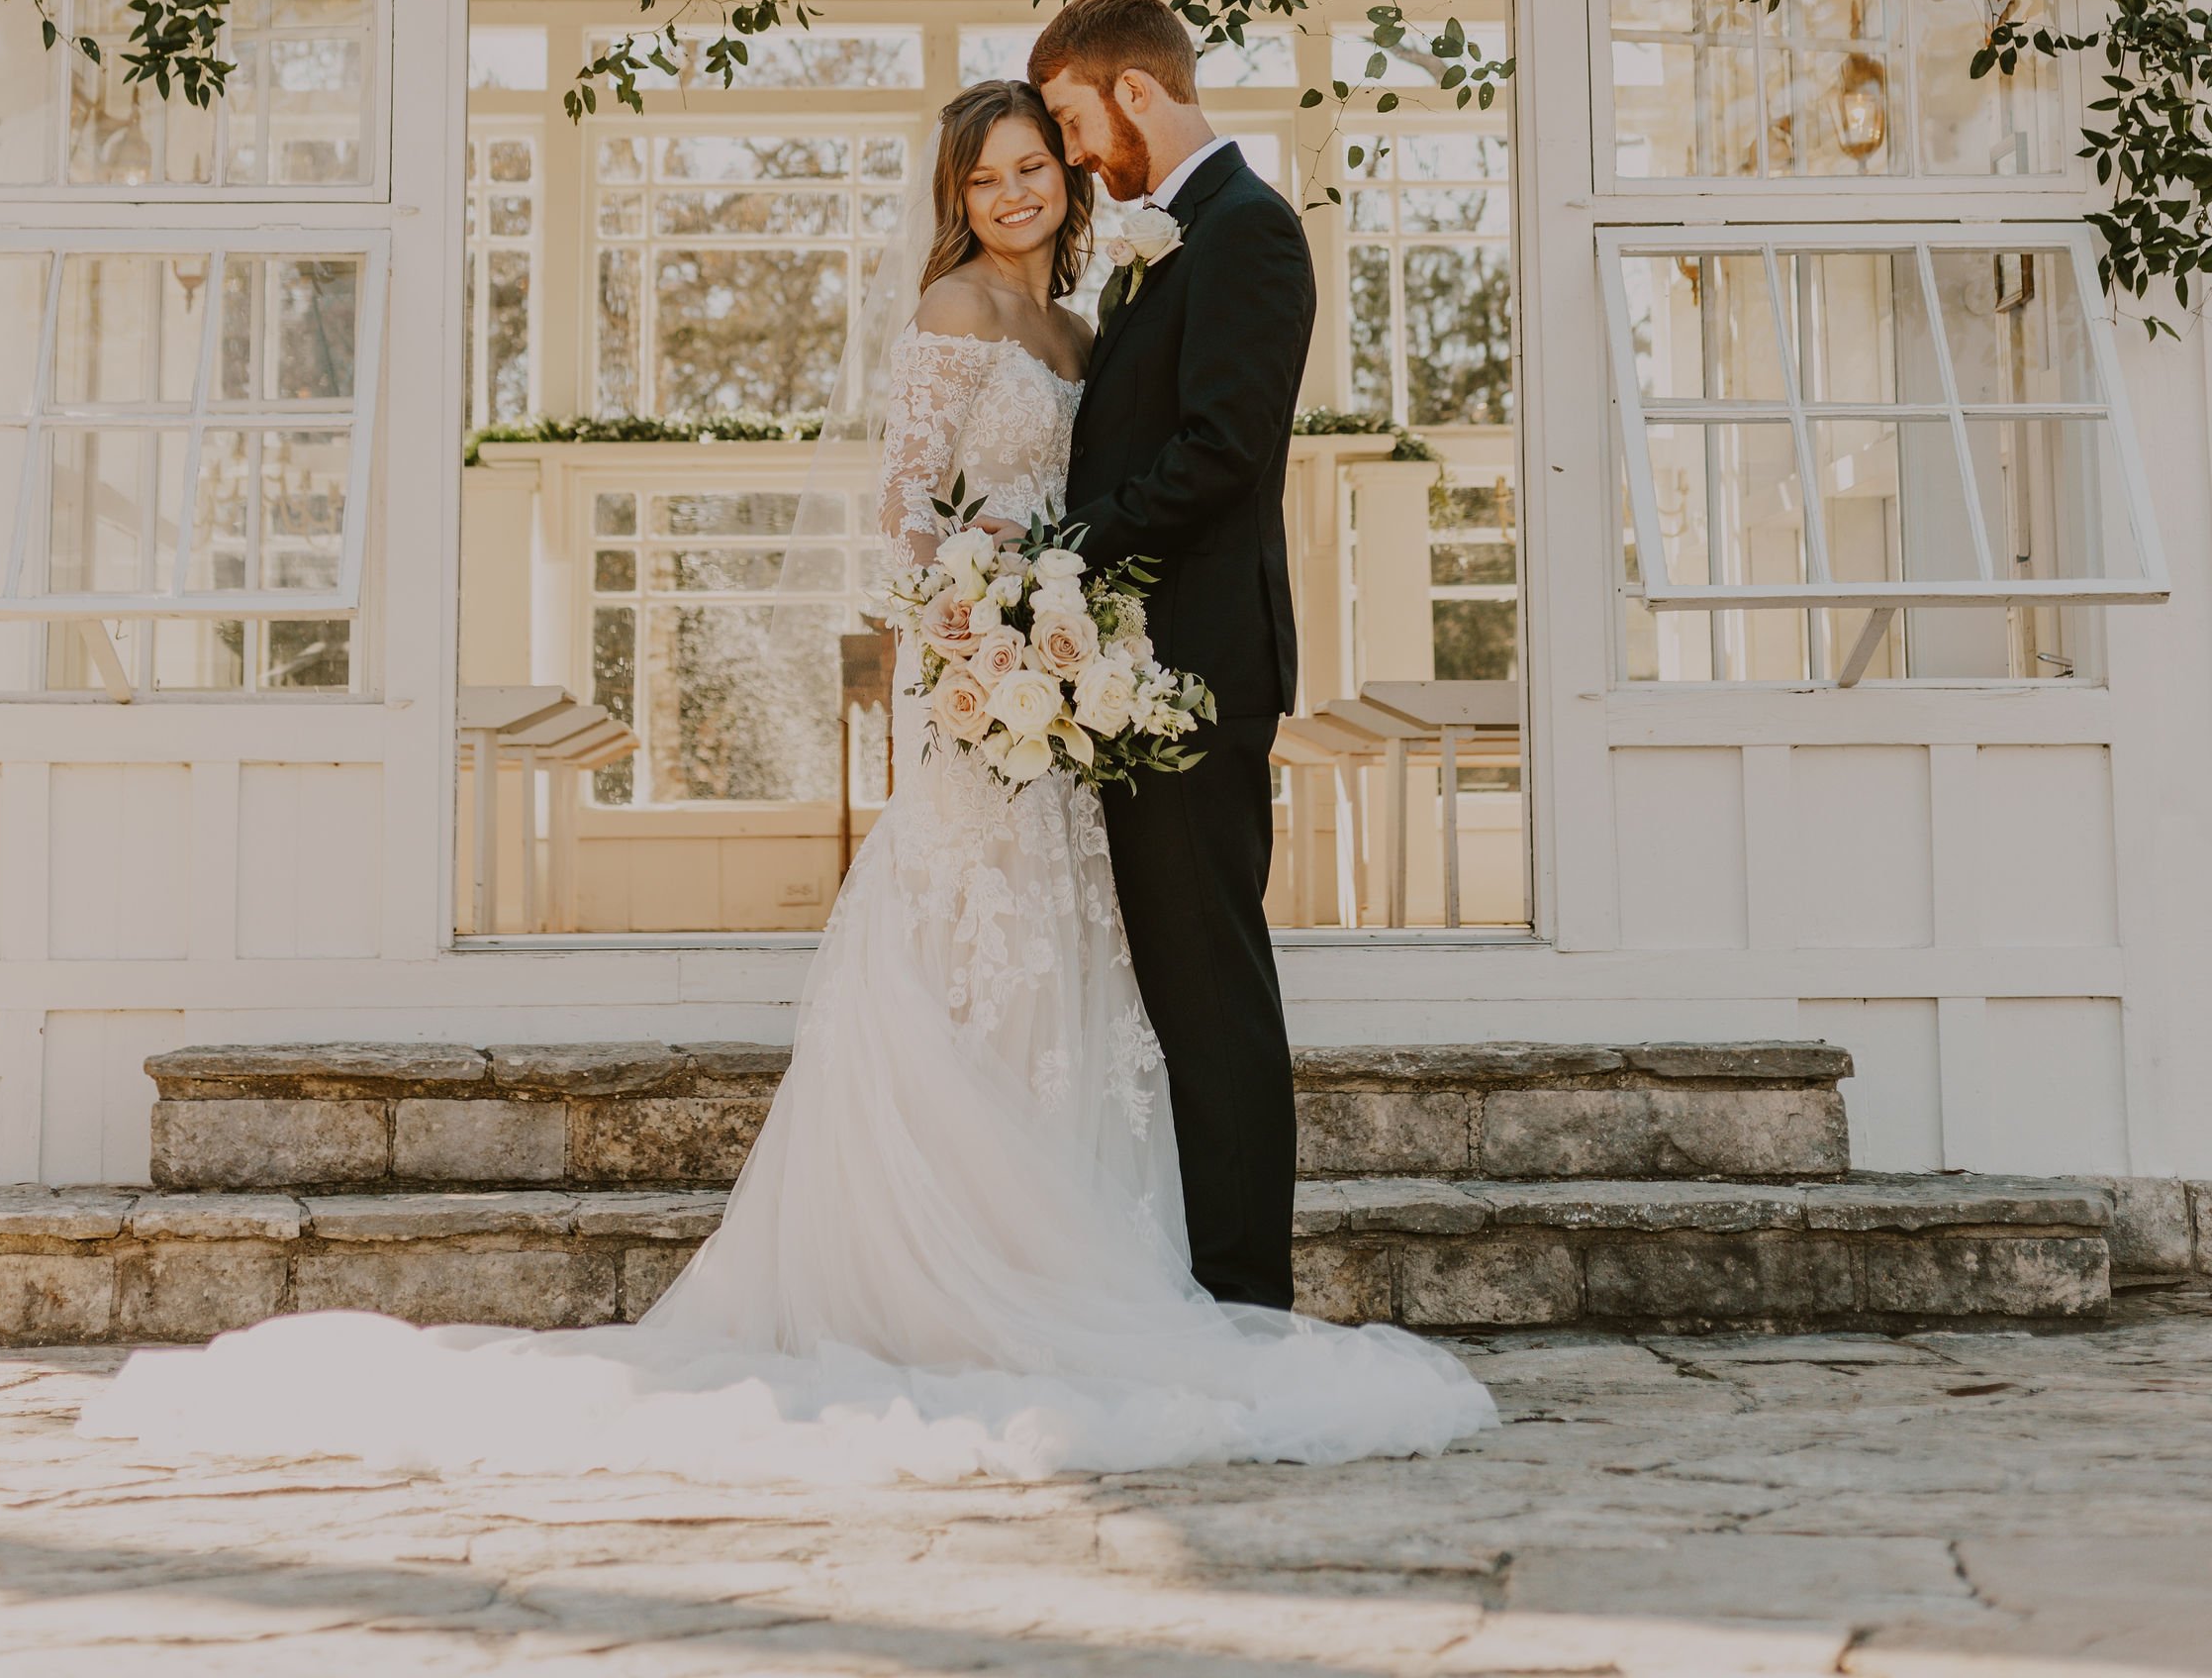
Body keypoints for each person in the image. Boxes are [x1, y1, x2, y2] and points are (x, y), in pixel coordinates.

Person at [85, 79, 1492, 1486]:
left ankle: (1071, 1255)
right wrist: (967, 647)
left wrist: (1054, 639)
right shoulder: (949, 320)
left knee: (1066, 983)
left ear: (1068, 179)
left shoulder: (1083, 326)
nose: (1017, 192)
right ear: (954, 196)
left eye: (1035, 168)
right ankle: (937, 1279)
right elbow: (903, 518)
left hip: (1061, 708)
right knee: (956, 977)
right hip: (979, 703)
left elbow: (1104, 499)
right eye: (989, 175)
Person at [1027, 0, 1306, 1311]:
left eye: (1078, 122)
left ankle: (1246, 1296)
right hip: (1141, 673)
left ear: (1135, 90)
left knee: (1212, 991)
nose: (1077, 155)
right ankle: (1198, 1280)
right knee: (1174, 989)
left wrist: (1066, 551)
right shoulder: (1165, 236)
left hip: (1196, 672)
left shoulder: (1248, 231)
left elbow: (1219, 452)